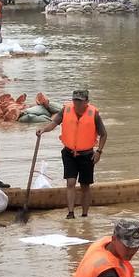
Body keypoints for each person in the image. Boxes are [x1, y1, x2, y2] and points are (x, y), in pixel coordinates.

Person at [36, 90, 107, 219]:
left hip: (87, 155)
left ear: (86, 102)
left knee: (85, 186)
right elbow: (54, 123)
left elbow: (103, 134)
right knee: (70, 182)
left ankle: (85, 214)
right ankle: (70, 213)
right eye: (75, 100)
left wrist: (99, 152)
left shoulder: (94, 114)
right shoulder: (66, 110)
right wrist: (43, 130)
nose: (76, 103)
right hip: (69, 153)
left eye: (79, 101)